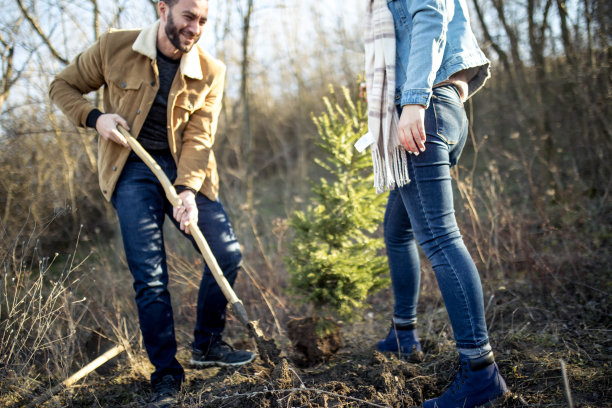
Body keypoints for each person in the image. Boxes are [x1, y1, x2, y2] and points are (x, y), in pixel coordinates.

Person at [49, 0, 255, 405]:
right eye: (188, 17)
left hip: (185, 172)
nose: (195, 28)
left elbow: (199, 137)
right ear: (163, 9)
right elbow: (62, 86)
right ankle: (166, 373)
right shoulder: (114, 48)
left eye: (203, 21)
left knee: (227, 252)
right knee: (151, 275)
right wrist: (96, 118)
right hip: (132, 171)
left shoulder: (211, 72)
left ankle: (208, 345)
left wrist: (189, 191)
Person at [362, 0, 509, 407]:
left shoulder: (417, 99)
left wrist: (411, 100)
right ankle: (403, 334)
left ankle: (480, 373)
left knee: (441, 239)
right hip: (442, 105)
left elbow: (429, 18)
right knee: (397, 230)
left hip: (425, 109)